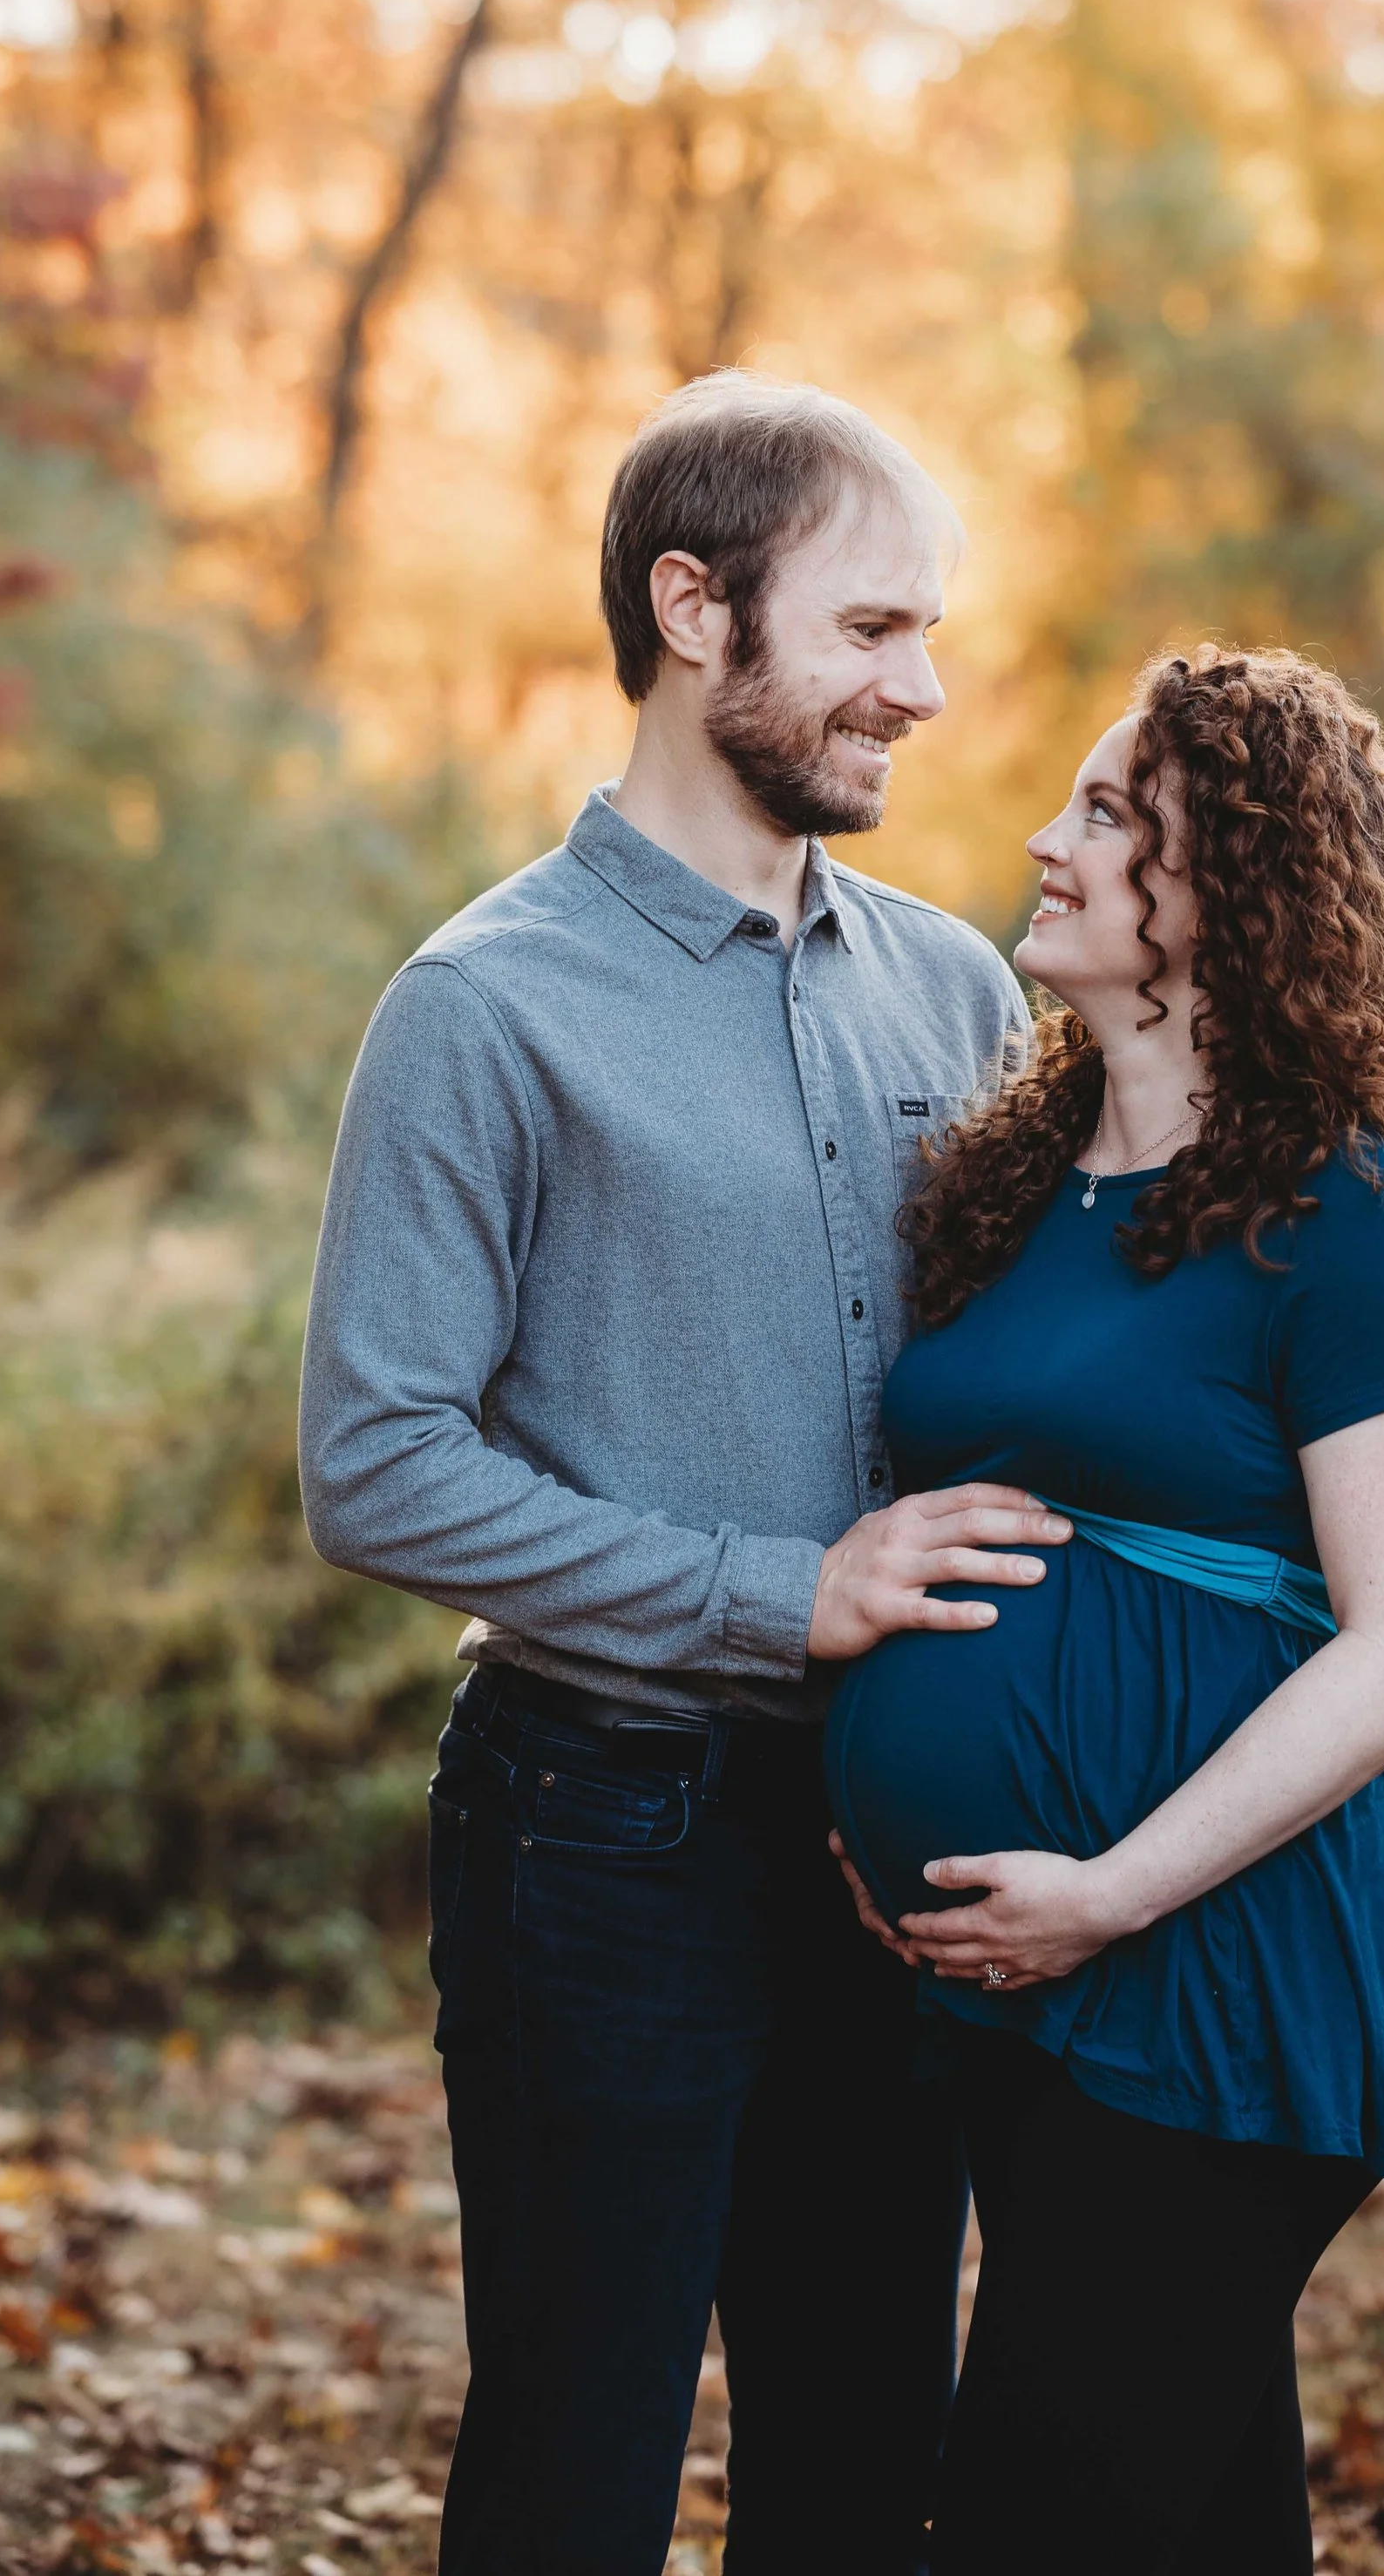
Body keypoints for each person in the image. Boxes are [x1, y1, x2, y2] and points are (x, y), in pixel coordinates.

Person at [297, 371, 1066, 2576]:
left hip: (892, 1836)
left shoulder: (952, 994)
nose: (919, 690)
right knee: (574, 2456)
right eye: (869, 631)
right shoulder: (482, 1005)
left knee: (855, 2459)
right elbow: (376, 1463)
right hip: (594, 1837)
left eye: (930, 636)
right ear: (689, 608)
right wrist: (779, 1589)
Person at [824, 644, 1384, 2576]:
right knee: (1186, 2522)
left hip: (1228, 1968)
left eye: (1112, 813)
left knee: (1031, 2523)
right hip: (1018, 1979)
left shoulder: (1351, 1215)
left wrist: (1106, 1891)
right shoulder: (1019, 1177)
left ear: (1242, 887)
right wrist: (866, 1792)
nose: (1047, 838)